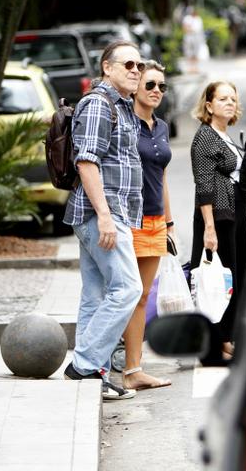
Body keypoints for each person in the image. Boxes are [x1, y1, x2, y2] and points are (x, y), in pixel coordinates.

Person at [62, 40, 145, 400]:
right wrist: (105, 216)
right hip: (101, 214)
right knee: (129, 288)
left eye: (139, 66)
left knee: (95, 294)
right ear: (106, 68)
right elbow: (87, 162)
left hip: (106, 213)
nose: (136, 71)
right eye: (128, 64)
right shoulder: (98, 104)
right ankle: (84, 364)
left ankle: (93, 372)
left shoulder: (121, 106)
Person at [122, 60, 174, 391]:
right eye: (150, 85)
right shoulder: (125, 123)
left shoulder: (162, 127)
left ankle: (134, 369)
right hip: (130, 218)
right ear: (137, 86)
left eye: (162, 87)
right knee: (125, 294)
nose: (157, 91)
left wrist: (170, 223)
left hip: (156, 219)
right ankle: (115, 366)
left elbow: (163, 177)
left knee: (141, 297)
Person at [189, 81, 246, 366]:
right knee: (218, 281)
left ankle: (229, 336)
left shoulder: (225, 135)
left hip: (236, 213)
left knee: (235, 276)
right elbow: (203, 186)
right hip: (218, 217)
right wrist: (209, 228)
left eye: (232, 98)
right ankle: (219, 341)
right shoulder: (204, 138)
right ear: (209, 105)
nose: (229, 103)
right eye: (222, 98)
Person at [182, 7, 205, 73]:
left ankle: (195, 67)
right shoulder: (187, 18)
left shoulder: (198, 19)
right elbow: (185, 28)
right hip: (189, 36)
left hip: (197, 36)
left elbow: (200, 29)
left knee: (196, 52)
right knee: (189, 52)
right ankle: (190, 68)